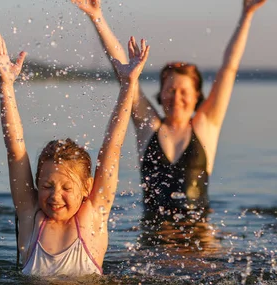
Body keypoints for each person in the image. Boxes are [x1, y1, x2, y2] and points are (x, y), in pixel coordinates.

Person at [71, 0, 267, 225]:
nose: (176, 97)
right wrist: (97, 17)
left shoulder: (206, 126)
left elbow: (229, 69)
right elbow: (124, 71)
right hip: (154, 235)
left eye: (184, 91)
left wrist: (246, 16)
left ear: (196, 96)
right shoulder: (148, 126)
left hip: (198, 239)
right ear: (161, 94)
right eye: (170, 90)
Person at [0, 33, 149, 276]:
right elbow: (15, 150)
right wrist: (6, 85)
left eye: (66, 188)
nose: (55, 196)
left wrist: (128, 86)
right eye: (47, 186)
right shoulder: (31, 217)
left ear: (87, 187)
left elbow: (112, 150)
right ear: (36, 184)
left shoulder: (94, 215)